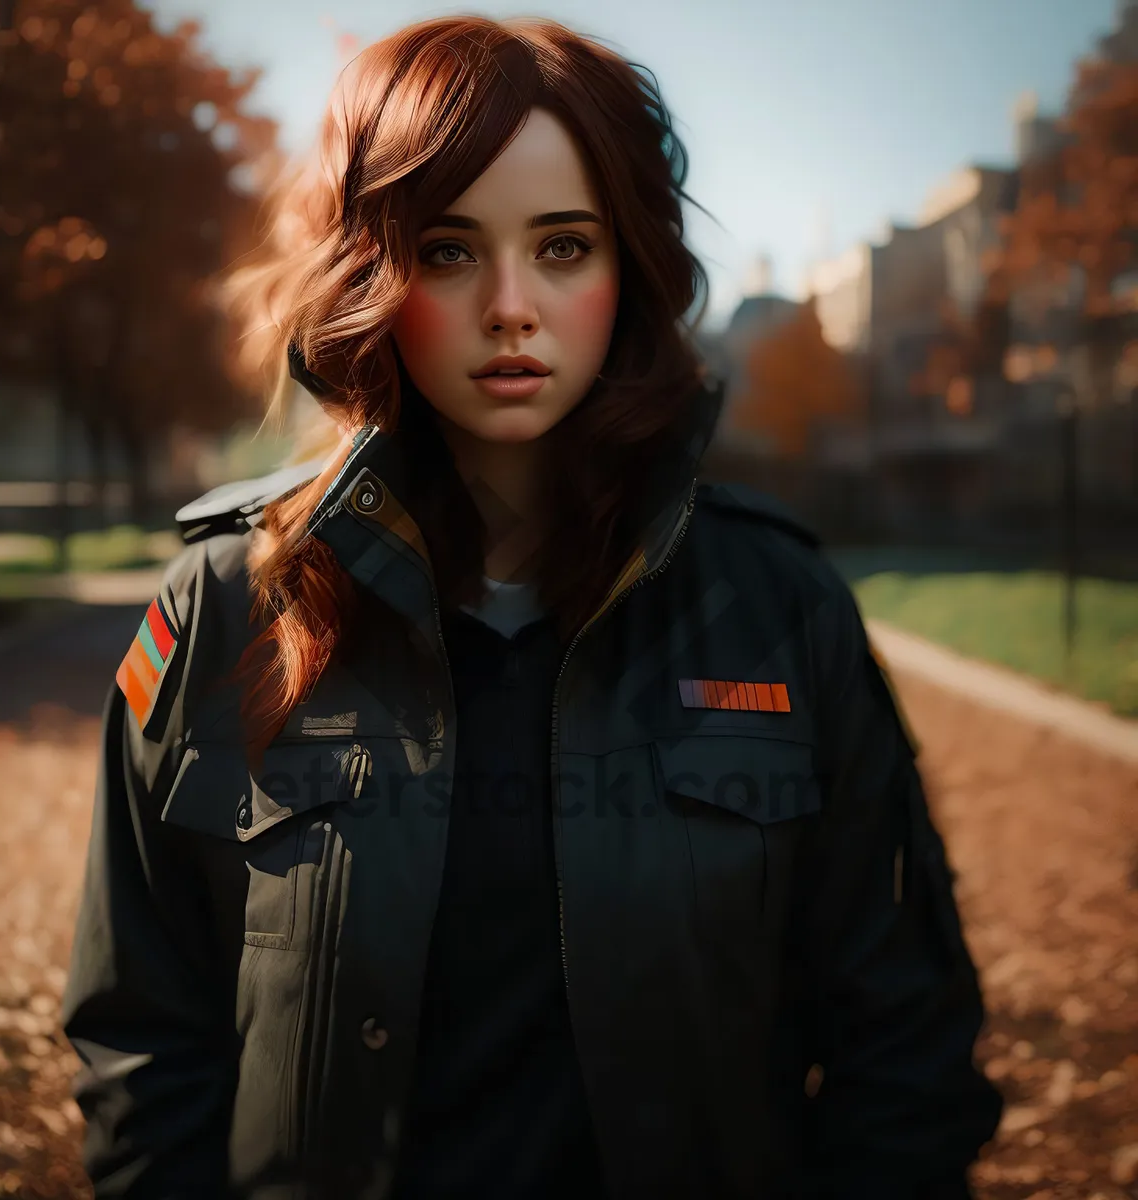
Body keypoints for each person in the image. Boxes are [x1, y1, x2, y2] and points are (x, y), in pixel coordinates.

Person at [61, 15, 1003, 1199]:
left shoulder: (780, 606)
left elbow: (904, 1052)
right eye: (449, 250)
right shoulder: (226, 601)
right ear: (371, 273)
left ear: (632, 268)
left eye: (564, 248)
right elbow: (142, 1032)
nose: (511, 306)